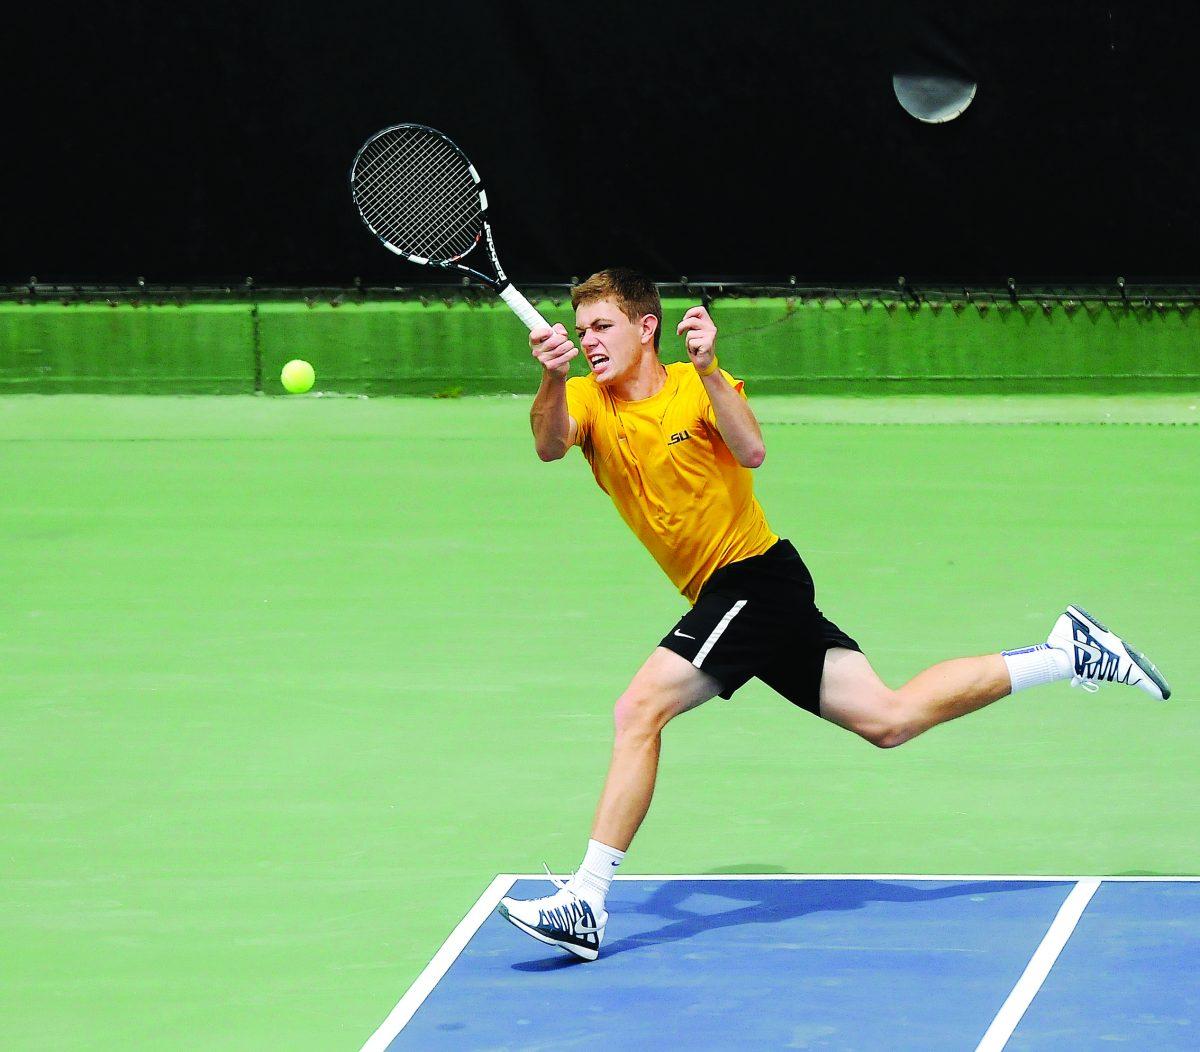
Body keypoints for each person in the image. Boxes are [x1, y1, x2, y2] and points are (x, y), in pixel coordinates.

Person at [496, 267, 1171, 962]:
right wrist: (550, 378)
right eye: (581, 332)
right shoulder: (584, 398)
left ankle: (588, 898)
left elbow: (753, 450)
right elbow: (550, 443)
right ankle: (1067, 651)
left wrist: (710, 369)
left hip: (753, 581)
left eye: (603, 327)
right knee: (889, 719)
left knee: (639, 710)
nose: (590, 341)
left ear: (647, 328)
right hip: (746, 594)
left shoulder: (697, 388)